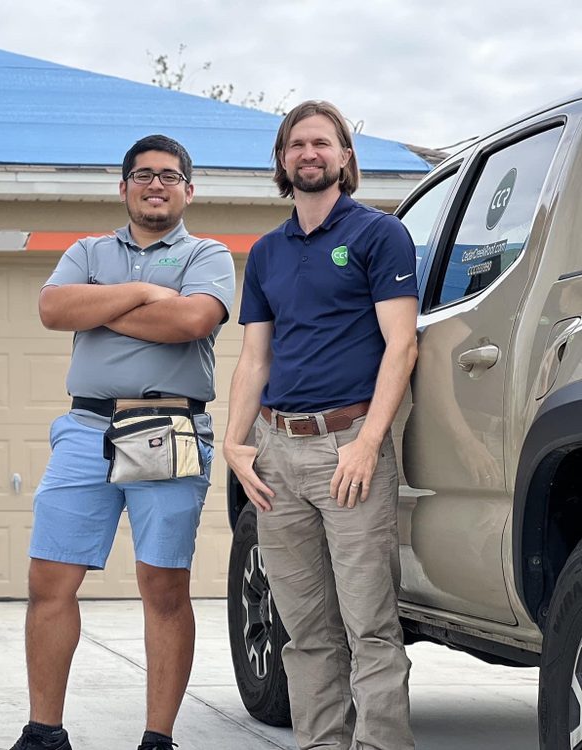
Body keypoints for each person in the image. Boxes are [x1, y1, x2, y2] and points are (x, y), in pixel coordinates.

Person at [8, 134, 236, 750]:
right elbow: (53, 309)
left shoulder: (208, 254)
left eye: (168, 175)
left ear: (188, 189)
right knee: (48, 581)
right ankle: (44, 732)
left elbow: (192, 321)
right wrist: (140, 294)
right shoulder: (86, 249)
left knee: (164, 586)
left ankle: (157, 738)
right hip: (85, 432)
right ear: (124, 187)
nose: (155, 185)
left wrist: (97, 308)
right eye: (143, 175)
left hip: (169, 430)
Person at [222, 100, 419, 750]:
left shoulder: (377, 235)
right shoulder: (267, 252)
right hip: (277, 455)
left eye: (322, 143)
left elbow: (402, 347)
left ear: (345, 157)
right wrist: (235, 441)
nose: (309, 153)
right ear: (282, 160)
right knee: (304, 633)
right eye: (297, 144)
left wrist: (368, 443)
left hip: (349, 449)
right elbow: (255, 357)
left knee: (370, 628)